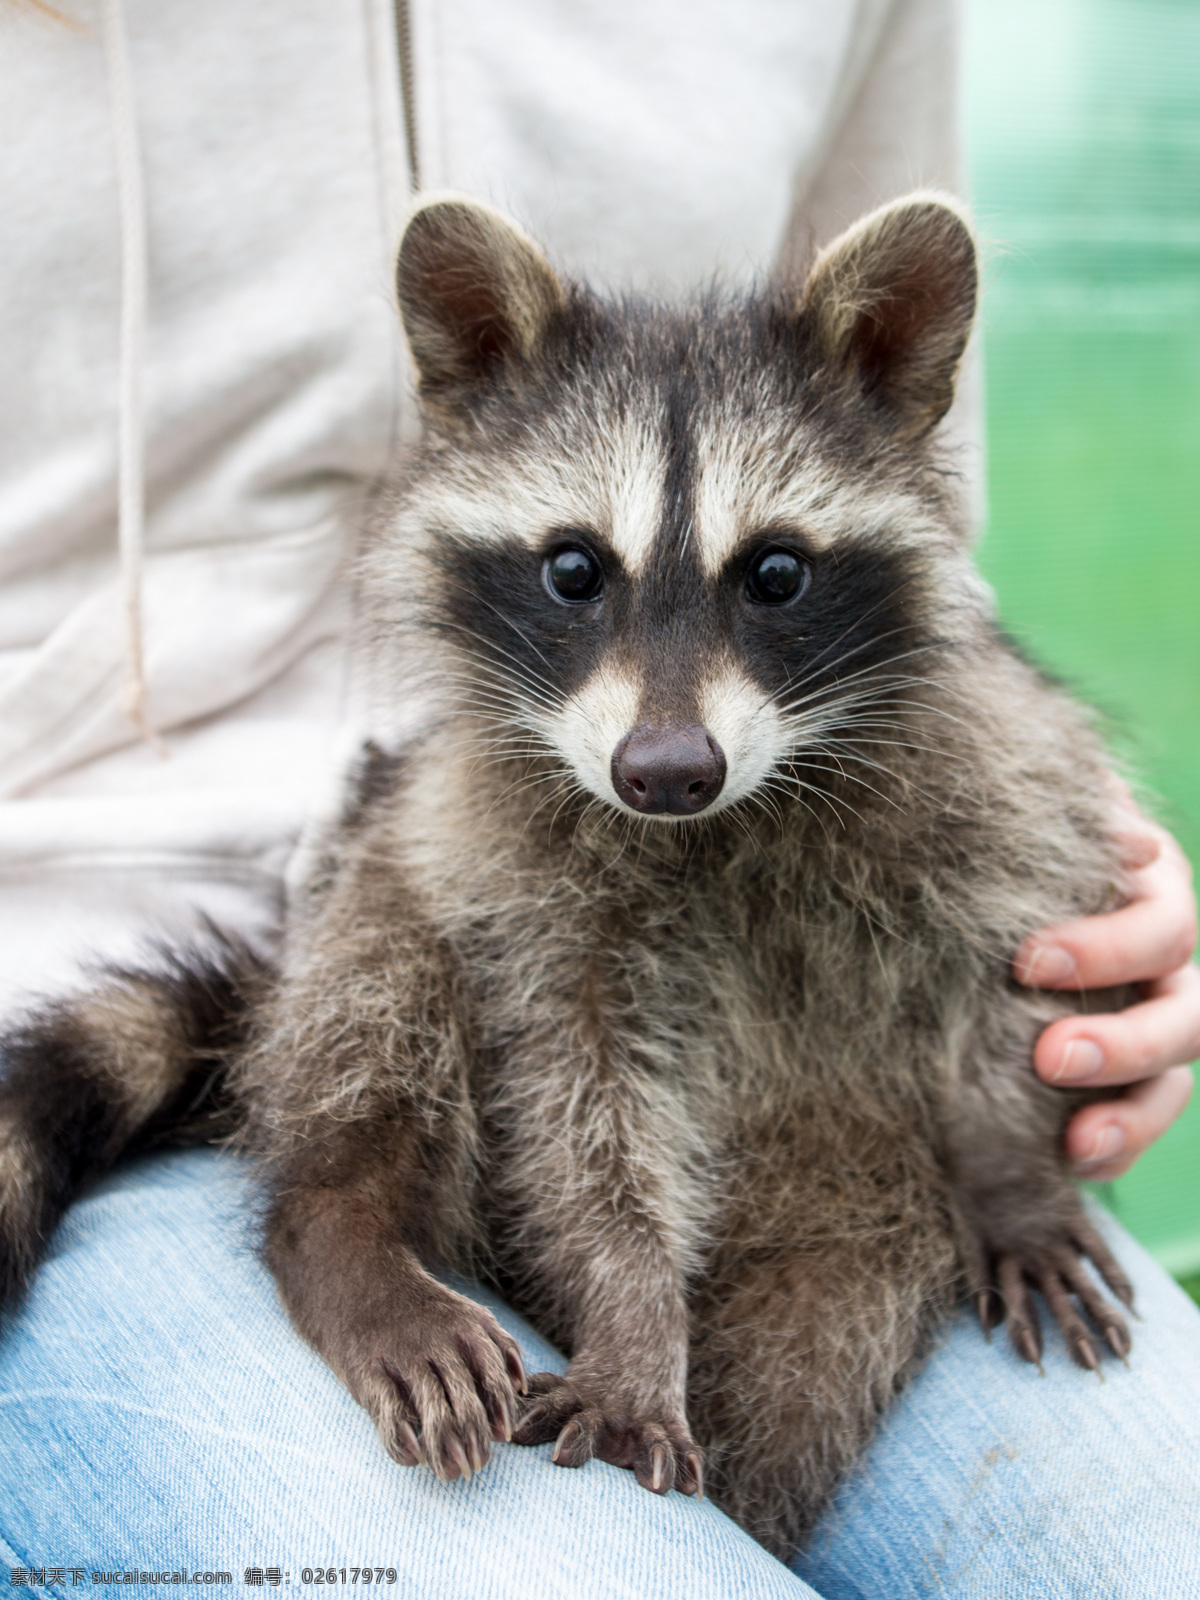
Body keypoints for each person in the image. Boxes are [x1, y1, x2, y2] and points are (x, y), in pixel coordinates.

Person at [1, 0, 1197, 1592]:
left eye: (767, 578)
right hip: (132, 940)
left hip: (790, 1064)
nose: (667, 733)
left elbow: (910, 537)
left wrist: (1080, 905)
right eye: (574, 575)